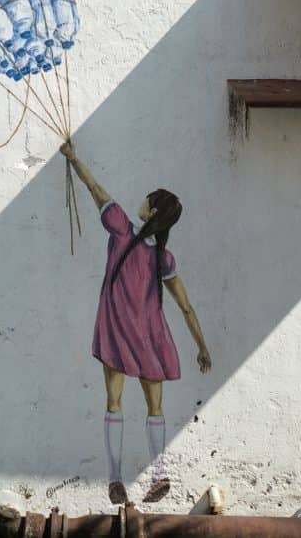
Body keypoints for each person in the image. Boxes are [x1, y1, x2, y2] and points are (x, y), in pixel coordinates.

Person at [61, 141, 212, 505]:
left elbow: (96, 190)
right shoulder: (164, 257)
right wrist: (202, 346)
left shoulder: (122, 232)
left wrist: (74, 158)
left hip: (117, 331)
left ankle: (115, 478)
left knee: (114, 402)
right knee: (154, 408)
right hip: (150, 337)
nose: (140, 202)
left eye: (147, 200)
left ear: (152, 210)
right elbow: (186, 307)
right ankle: (158, 474)